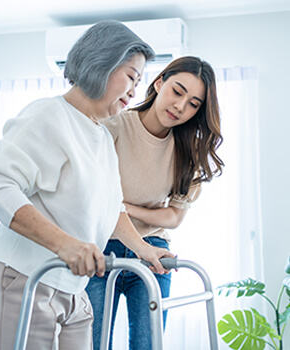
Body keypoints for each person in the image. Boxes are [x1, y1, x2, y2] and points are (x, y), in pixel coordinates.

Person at [0, 20, 175, 350]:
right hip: (22, 277)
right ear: (102, 61)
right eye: (130, 76)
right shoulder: (49, 116)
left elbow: (111, 210)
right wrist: (64, 244)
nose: (134, 90)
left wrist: (144, 249)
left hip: (72, 287)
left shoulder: (100, 136)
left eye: (139, 82)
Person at [86, 55, 224, 350]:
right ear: (159, 82)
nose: (180, 107)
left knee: (148, 345)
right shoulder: (114, 126)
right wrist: (133, 210)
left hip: (153, 250)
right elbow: (94, 201)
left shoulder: (189, 151)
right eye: (177, 91)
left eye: (193, 104)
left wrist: (123, 206)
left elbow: (174, 217)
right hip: (99, 246)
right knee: (92, 344)